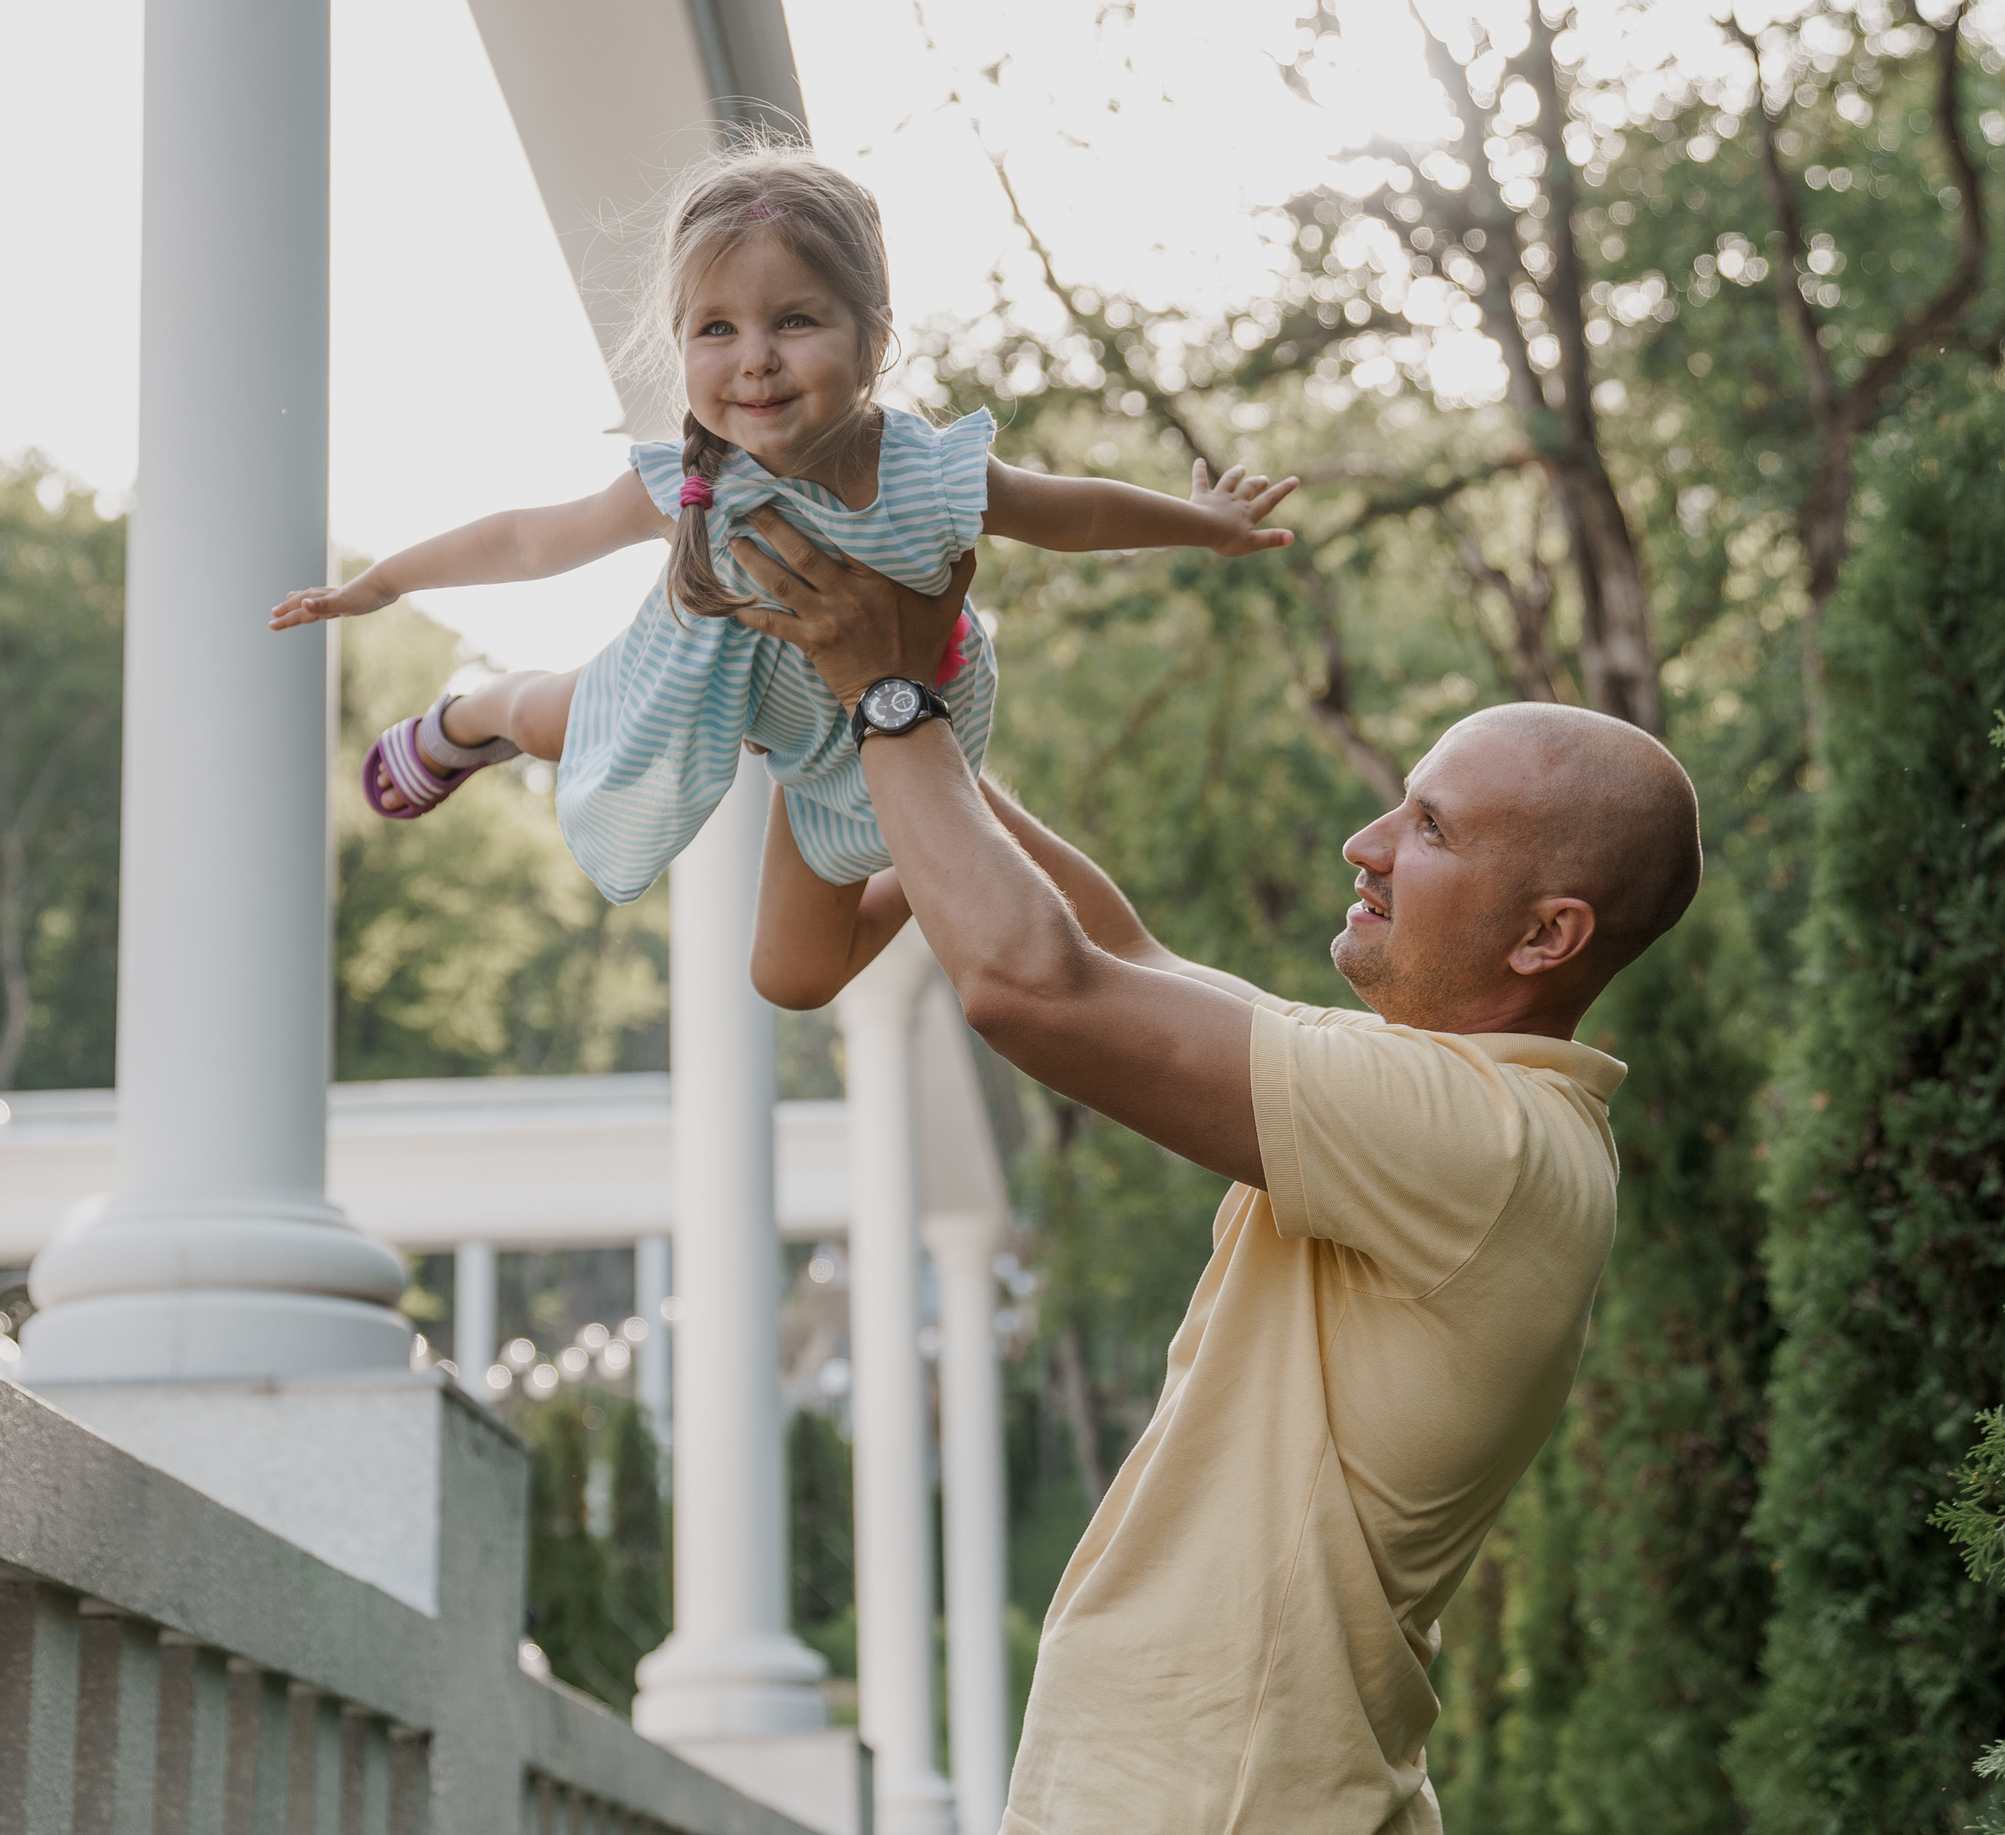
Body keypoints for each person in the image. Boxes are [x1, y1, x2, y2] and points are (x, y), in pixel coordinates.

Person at [717, 504, 1702, 1833]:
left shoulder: (1484, 1144)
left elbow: (1036, 987)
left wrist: (883, 694)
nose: (1366, 841)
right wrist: (887, 702)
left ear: (1548, 933)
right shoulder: (1448, 1102)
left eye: (1430, 827)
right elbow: (1123, 956)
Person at [266, 142, 1298, 1009]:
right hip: (700, 680)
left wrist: (1203, 525)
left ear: (874, 338)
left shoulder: (925, 473)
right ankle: (471, 717)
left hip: (858, 739)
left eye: (794, 321)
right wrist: (387, 583)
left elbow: (1070, 509)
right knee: (550, 719)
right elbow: (533, 540)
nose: (753, 358)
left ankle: (918, 854)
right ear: (682, 346)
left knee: (792, 981)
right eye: (716, 329)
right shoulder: (689, 482)